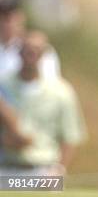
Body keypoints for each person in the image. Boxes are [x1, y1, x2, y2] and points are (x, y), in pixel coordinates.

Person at [0, 31, 86, 176]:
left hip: (43, 170)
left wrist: (59, 169)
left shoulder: (61, 91)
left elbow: (71, 136)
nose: (31, 54)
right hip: (6, 168)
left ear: (44, 54)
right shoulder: (3, 86)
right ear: (19, 52)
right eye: (27, 49)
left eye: (36, 50)